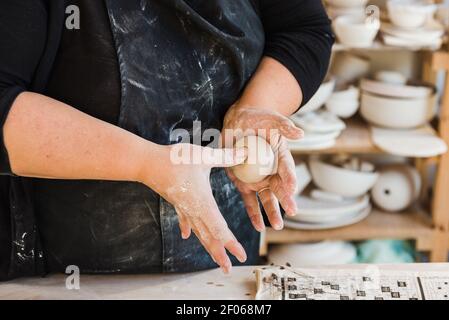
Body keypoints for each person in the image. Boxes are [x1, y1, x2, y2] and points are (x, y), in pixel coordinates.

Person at [0, 0, 333, 280]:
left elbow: (305, 30)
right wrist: (149, 163)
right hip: (73, 265)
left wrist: (253, 108)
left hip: (223, 256)